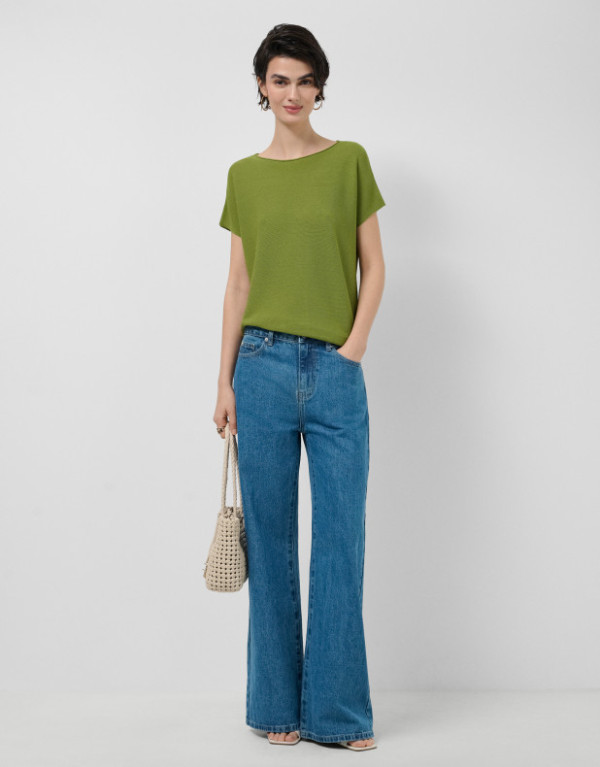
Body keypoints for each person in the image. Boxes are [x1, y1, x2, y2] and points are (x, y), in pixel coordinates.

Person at [213, 23, 386, 751]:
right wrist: (223, 381)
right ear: (262, 86)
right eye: (280, 80)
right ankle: (276, 708)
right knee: (272, 542)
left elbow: (373, 267)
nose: (293, 93)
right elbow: (239, 284)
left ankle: (337, 716)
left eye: (305, 80)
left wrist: (352, 348)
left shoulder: (349, 161)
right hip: (260, 369)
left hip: (336, 371)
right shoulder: (243, 175)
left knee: (341, 542)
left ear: (320, 87)